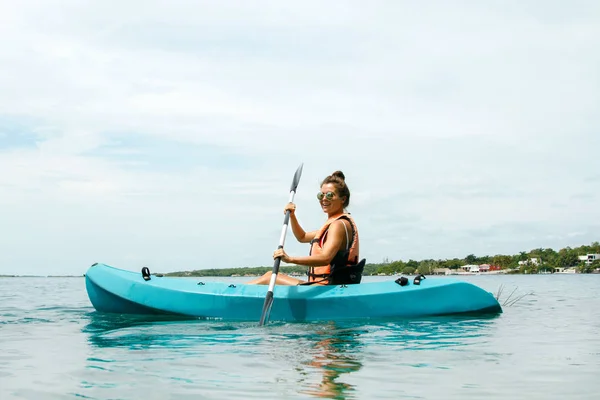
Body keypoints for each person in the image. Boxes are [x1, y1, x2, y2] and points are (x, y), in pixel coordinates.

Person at [246, 170, 365, 286]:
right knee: (269, 275)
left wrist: (290, 259)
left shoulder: (338, 225)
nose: (324, 199)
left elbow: (325, 258)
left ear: (343, 199)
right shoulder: (334, 224)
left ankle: (231, 295)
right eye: (321, 195)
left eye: (329, 195)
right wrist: (292, 216)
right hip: (322, 286)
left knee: (270, 277)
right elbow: (302, 237)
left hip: (327, 288)